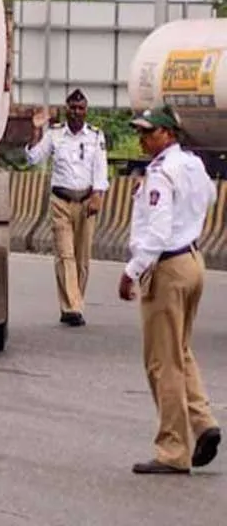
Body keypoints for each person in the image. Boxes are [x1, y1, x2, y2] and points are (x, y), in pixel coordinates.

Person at [120, 104, 221, 475]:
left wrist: (131, 271)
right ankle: (203, 422)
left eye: (149, 132)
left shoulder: (160, 173)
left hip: (167, 267)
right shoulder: (192, 164)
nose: (142, 139)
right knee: (180, 350)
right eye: (141, 132)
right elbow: (209, 197)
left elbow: (157, 233)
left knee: (162, 362)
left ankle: (173, 449)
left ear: (169, 134)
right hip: (193, 260)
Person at [24, 89, 109, 326]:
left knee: (82, 259)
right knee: (65, 255)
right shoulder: (55, 134)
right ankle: (72, 307)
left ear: (86, 110)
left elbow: (101, 167)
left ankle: (73, 302)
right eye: (72, 108)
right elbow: (32, 158)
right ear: (66, 108)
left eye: (80, 108)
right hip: (60, 201)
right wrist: (35, 129)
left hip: (86, 203)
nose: (76, 112)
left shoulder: (95, 136)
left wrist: (98, 194)